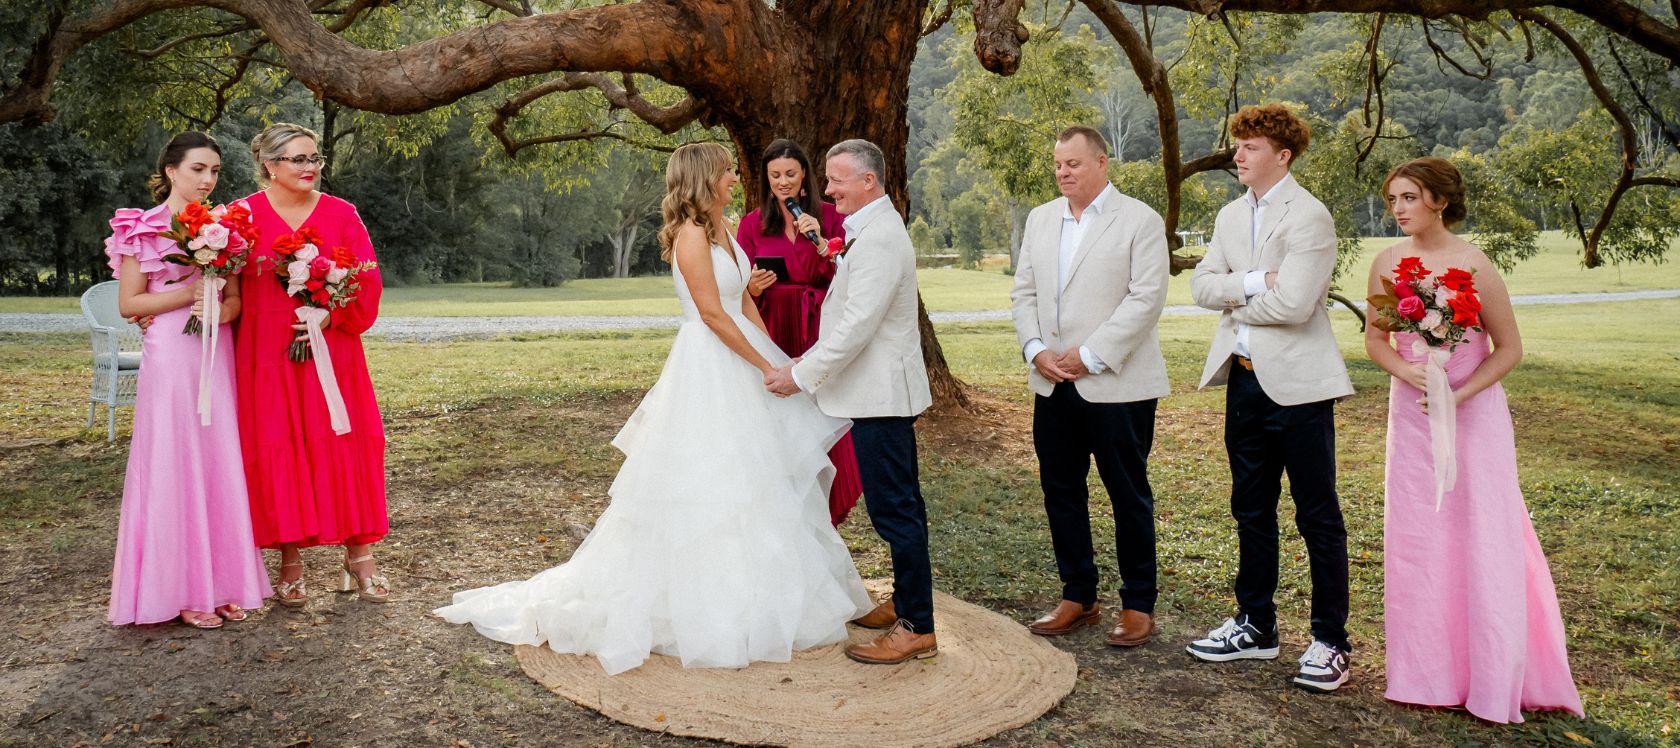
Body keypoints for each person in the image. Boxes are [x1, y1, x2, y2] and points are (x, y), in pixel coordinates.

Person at [436, 143, 871, 676]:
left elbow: (743, 303)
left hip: (744, 359)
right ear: (704, 179)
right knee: (708, 478)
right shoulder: (690, 234)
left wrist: (781, 362)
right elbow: (711, 313)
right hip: (709, 368)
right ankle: (700, 604)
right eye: (727, 171)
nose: (735, 178)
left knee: (758, 478)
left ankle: (763, 591)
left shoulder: (724, 229)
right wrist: (761, 366)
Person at [1365, 157, 1583, 722]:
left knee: (1483, 530)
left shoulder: (1475, 264)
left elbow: (1509, 349)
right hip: (1412, 415)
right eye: (1393, 200)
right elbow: (1376, 341)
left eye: (1409, 197)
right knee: (1421, 535)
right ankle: (1425, 673)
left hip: (1474, 415)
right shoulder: (1387, 262)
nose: (1399, 209)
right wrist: (1403, 370)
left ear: (1439, 200)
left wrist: (1461, 395)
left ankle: (1492, 671)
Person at [1186, 104, 1355, 692]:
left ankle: (1330, 641)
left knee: (1317, 517)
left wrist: (1235, 296)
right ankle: (1257, 626)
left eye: (1251, 146)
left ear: (1282, 155)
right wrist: (1257, 282)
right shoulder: (1231, 216)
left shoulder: (1309, 216)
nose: (1238, 154)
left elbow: (1297, 305)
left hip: (1302, 390)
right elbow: (1200, 287)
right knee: (1250, 509)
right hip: (1244, 379)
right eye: (1238, 145)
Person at [765, 139, 937, 665]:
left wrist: (801, 373)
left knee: (895, 511)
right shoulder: (867, 231)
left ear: (869, 181)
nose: (829, 189)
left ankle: (917, 628)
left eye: (837, 179)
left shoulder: (881, 239)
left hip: (880, 396)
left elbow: (856, 329)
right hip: (873, 391)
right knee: (899, 504)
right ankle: (907, 602)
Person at [1010, 126, 1169, 647]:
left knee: (1128, 494)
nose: (1063, 172)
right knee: (1061, 490)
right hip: (1052, 381)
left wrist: (1091, 354)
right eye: (1058, 164)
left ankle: (1138, 604)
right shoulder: (1039, 220)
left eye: (1074, 163)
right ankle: (1078, 595)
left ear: (1102, 163)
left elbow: (1145, 299)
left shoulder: (1139, 220)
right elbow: (1025, 291)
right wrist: (1036, 349)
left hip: (1117, 384)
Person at [106, 131, 271, 628]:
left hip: (214, 354)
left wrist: (218, 310)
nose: (207, 179)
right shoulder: (142, 227)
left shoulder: (226, 229)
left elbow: (235, 303)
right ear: (172, 171)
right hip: (171, 357)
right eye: (198, 169)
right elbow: (130, 305)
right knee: (174, 463)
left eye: (215, 171)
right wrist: (190, 293)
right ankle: (180, 591)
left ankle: (221, 585)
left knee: (218, 460)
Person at [236, 123, 390, 606]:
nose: (310, 168)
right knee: (277, 446)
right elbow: (221, 286)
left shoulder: (342, 214)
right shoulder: (239, 217)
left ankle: (359, 555)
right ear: (270, 165)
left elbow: (367, 280)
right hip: (266, 355)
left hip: (333, 351)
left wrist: (331, 310)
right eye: (298, 159)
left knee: (344, 444)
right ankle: (290, 559)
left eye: (315, 159)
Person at [735, 138, 864, 526]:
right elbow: (735, 287)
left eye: (790, 174)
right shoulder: (752, 223)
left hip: (817, 326)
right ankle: (782, 504)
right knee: (779, 416)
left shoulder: (831, 217)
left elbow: (853, 274)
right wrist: (753, 286)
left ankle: (825, 506)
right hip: (772, 325)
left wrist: (824, 245)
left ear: (805, 174)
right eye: (775, 176)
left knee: (823, 412)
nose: (783, 182)